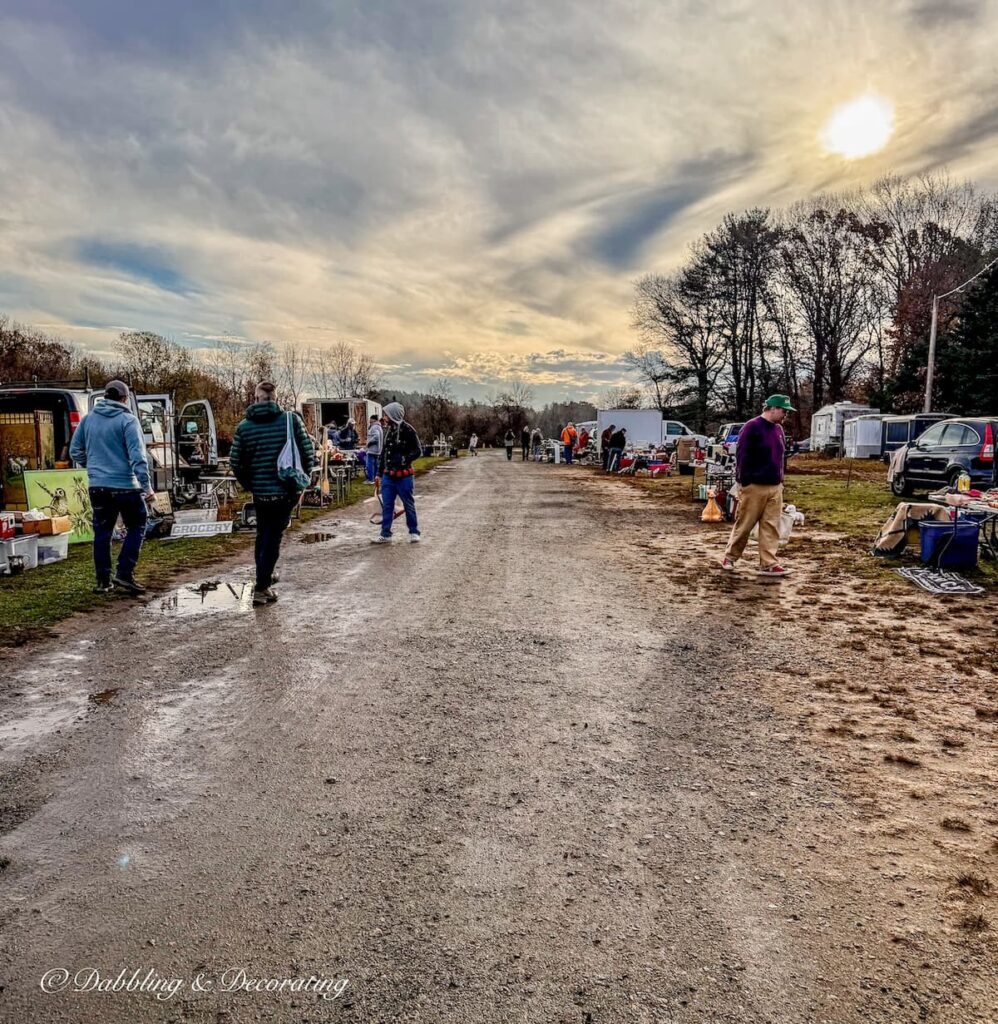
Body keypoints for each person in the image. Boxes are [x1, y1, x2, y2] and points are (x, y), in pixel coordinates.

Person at [229, 381, 316, 606]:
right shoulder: (290, 420)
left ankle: (264, 576)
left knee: (263, 533)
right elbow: (308, 453)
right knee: (273, 537)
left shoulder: (244, 427)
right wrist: (302, 480)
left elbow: (236, 462)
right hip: (285, 491)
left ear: (256, 398)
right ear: (275, 398)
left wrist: (250, 483)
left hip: (260, 492)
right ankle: (262, 587)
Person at [69, 379, 154, 595]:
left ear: (105, 397)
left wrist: (95, 468)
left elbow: (75, 451)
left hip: (98, 486)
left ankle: (103, 580)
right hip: (126, 485)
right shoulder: (128, 420)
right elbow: (138, 458)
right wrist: (147, 487)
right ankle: (124, 573)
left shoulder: (88, 420)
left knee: (102, 532)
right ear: (125, 399)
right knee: (137, 525)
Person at [721, 394, 795, 577]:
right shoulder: (752, 427)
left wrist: (781, 480)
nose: (785, 414)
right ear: (772, 408)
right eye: (783, 410)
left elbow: (780, 457)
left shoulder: (778, 430)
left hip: (774, 486)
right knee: (745, 524)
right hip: (753, 485)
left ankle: (768, 563)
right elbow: (742, 455)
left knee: (771, 526)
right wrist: (743, 481)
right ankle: (730, 557)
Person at [374, 402, 422, 543]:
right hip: (388, 475)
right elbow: (383, 453)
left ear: (393, 415)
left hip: (404, 476)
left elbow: (418, 450)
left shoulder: (408, 430)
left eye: (386, 414)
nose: (384, 417)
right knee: (387, 505)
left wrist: (404, 459)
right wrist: (379, 472)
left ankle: (414, 531)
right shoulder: (388, 431)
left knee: (408, 504)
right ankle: (385, 533)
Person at [365, 413, 383, 483]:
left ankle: (370, 479)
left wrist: (369, 443)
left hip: (372, 450)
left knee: (370, 465)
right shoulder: (379, 427)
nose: (369, 421)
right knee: (376, 465)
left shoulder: (374, 427)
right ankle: (375, 479)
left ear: (373, 419)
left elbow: (376, 437)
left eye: (370, 420)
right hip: (377, 450)